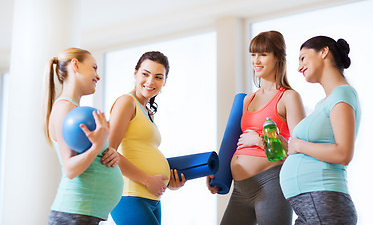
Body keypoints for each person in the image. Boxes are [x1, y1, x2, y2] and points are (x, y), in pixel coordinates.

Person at [207, 31, 305, 224]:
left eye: (263, 54)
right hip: (240, 188)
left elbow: (301, 151)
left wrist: (262, 142)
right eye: (253, 54)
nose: (256, 61)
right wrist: (219, 172)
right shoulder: (246, 100)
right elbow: (233, 144)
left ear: (278, 57)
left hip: (271, 184)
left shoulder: (288, 97)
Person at [280, 36, 361, 224]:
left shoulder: (343, 93)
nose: (299, 67)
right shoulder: (323, 103)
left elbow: (343, 153)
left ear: (324, 52)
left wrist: (298, 145)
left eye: (303, 58)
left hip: (323, 202)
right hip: (312, 204)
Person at [43, 48, 123, 224]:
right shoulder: (65, 108)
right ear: (75, 65)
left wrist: (109, 152)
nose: (98, 76)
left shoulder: (73, 109)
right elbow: (70, 169)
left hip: (83, 214)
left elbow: (89, 157)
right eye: (94, 68)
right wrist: (97, 147)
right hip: (74, 214)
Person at [107, 51, 186, 225]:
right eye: (145, 74)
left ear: (164, 82)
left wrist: (168, 181)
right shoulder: (126, 102)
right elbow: (108, 152)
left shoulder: (148, 111)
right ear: (135, 74)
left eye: (158, 77)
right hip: (130, 195)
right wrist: (148, 179)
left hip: (152, 198)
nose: (151, 82)